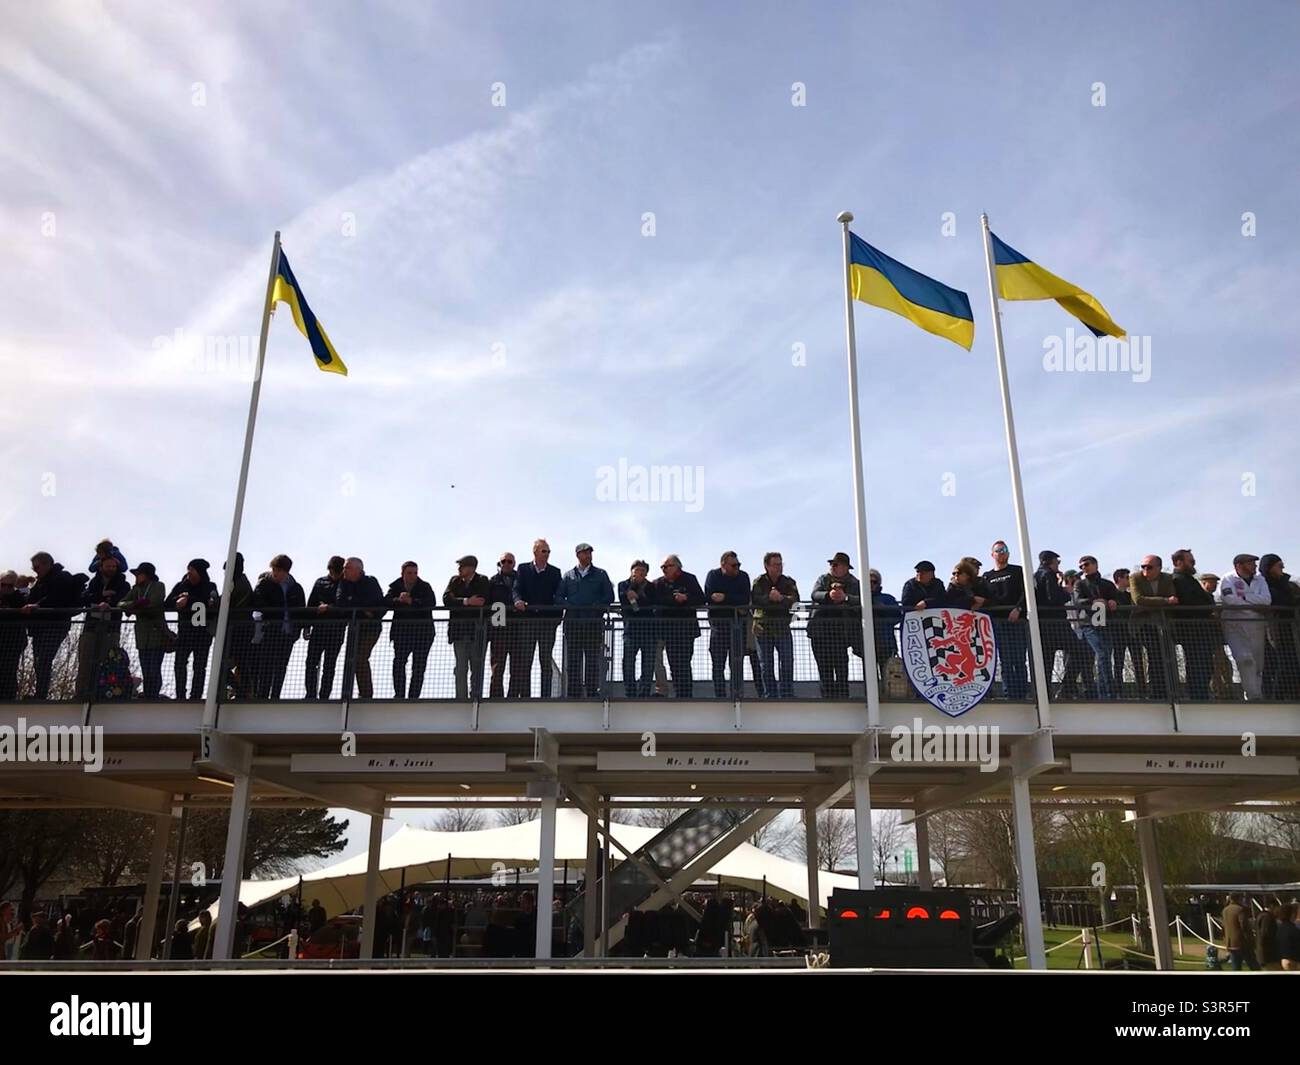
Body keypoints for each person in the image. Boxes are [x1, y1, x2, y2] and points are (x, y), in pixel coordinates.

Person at [21, 552, 88, 699]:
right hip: (39, 628)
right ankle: (40, 692)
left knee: (44, 659)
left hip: (55, 626)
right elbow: (33, 598)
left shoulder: (61, 578)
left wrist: (37, 605)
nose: (35, 570)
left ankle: (41, 694)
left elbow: (58, 598)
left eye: (37, 567)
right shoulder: (40, 582)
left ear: (46, 564)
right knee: (39, 661)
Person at [556, 543, 614, 699]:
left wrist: (596, 607)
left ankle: (591, 692)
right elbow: (559, 597)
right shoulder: (568, 576)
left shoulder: (601, 574)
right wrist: (570, 606)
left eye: (590, 553)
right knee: (573, 661)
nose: (588, 555)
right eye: (585, 553)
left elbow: (609, 596)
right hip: (573, 624)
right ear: (578, 555)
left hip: (593, 624)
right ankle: (573, 693)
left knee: (592, 660)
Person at [511, 540, 562, 698]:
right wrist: (517, 601)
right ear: (535, 552)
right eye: (543, 551)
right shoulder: (523, 569)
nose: (546, 555)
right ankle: (525, 696)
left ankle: (545, 696)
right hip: (528, 621)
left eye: (548, 552)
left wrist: (556, 619)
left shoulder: (555, 572)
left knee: (545, 660)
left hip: (547, 623)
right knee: (526, 660)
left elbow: (559, 596)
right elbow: (516, 589)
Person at [250, 555, 305, 700]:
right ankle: (261, 696)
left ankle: (275, 696)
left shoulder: (296, 588)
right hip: (270, 631)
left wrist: (297, 631)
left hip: (287, 634)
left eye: (278, 570)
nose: (275, 573)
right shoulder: (264, 584)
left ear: (286, 571)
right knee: (265, 666)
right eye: (273, 569)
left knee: (280, 667)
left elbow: (301, 610)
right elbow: (258, 602)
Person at [809, 552, 862, 699]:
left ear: (845, 567)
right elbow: (814, 594)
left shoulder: (854, 583)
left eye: (836, 564)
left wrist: (845, 597)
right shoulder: (823, 579)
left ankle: (843, 699)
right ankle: (828, 701)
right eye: (832, 564)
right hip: (819, 632)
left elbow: (862, 600)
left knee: (841, 670)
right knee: (824, 672)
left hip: (841, 634)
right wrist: (828, 595)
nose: (832, 566)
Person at [165, 559, 219, 701]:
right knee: (179, 664)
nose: (189, 573)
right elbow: (167, 603)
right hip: (184, 633)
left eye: (192, 570)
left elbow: (212, 606)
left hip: (202, 634)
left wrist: (189, 599)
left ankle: (195, 695)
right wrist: (179, 599)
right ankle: (180, 695)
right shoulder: (181, 586)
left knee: (199, 667)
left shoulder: (209, 586)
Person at [1219, 554, 1271, 702]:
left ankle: (1257, 694)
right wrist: (1254, 603)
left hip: (1257, 625)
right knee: (1244, 659)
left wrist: (1244, 600)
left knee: (1258, 663)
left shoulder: (1260, 579)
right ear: (1239, 565)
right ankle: (1252, 695)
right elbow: (1230, 600)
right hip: (1235, 625)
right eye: (1251, 563)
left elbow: (1267, 600)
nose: (1255, 566)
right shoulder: (1228, 579)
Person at [78, 552, 130, 698]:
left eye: (114, 566)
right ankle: (81, 693)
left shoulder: (123, 584)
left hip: (111, 628)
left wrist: (109, 602)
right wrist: (102, 596)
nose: (111, 568)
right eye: (108, 566)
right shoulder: (93, 583)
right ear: (101, 567)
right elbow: (84, 598)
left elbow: (123, 599)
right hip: (91, 627)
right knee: (86, 662)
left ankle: (104, 693)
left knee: (108, 661)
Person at [652, 555, 706, 698]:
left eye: (667, 566)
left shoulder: (689, 579)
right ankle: (678, 693)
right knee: (674, 665)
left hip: (686, 630)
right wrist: (674, 600)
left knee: (684, 664)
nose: (664, 569)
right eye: (662, 567)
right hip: (667, 631)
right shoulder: (658, 583)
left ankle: (685, 695)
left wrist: (686, 599)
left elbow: (701, 599)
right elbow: (656, 602)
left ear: (677, 567)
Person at [333, 558, 385, 699]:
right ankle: (353, 693)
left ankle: (366, 694)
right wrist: (362, 608)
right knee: (352, 659)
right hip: (354, 627)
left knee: (360, 658)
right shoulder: (343, 583)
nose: (344, 570)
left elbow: (378, 603)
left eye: (348, 567)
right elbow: (341, 603)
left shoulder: (371, 582)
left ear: (358, 569)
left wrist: (354, 603)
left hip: (371, 627)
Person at [1169, 548, 1216, 701]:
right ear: (1179, 562)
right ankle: (1198, 696)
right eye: (1191, 561)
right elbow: (1191, 602)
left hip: (1201, 630)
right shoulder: (1178, 580)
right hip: (1192, 630)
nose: (1194, 563)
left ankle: (1201, 694)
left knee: (1205, 665)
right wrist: (1208, 608)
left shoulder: (1189, 580)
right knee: (1198, 665)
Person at [703, 551, 751, 700]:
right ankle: (720, 696)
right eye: (733, 565)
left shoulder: (743, 577)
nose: (737, 567)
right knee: (718, 665)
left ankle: (737, 694)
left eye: (738, 564)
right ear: (723, 564)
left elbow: (744, 598)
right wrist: (732, 601)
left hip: (738, 627)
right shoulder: (713, 575)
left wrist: (725, 597)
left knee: (736, 664)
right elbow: (710, 596)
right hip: (718, 627)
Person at [751, 552, 799, 699]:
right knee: (766, 664)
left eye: (781, 564)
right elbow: (755, 601)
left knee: (787, 661)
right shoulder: (759, 582)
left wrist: (780, 598)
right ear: (767, 566)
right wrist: (769, 598)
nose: (779, 567)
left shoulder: (789, 582)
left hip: (782, 627)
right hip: (763, 628)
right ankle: (770, 695)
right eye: (776, 564)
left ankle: (787, 694)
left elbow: (795, 602)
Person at [118, 562, 169, 698]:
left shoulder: (158, 586)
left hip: (156, 635)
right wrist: (136, 604)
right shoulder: (136, 590)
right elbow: (121, 603)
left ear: (146, 575)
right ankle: (148, 694)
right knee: (146, 669)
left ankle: (153, 695)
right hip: (141, 637)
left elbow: (154, 603)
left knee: (154, 669)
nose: (136, 577)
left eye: (139, 574)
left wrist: (136, 608)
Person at [1131, 555, 1178, 700]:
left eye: (1149, 567)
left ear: (1159, 568)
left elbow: (1174, 597)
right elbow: (1138, 600)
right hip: (1142, 624)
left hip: (1163, 623)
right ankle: (1156, 691)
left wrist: (1153, 603)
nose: (1145, 570)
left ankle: (1170, 690)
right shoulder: (1135, 578)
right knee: (1155, 655)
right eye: (1143, 566)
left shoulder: (1167, 578)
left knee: (1168, 656)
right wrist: (1164, 601)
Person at [984, 542, 1028, 699]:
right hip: (997, 623)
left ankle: (1022, 694)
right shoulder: (987, 576)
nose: (1002, 553)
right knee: (1006, 661)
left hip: (1017, 622)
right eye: (998, 551)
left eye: (1004, 550)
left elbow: (1027, 593)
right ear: (992, 554)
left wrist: (1018, 609)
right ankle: (1009, 693)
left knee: (1019, 660)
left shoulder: (1018, 571)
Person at [387, 561, 436, 699]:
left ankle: (414, 696)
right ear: (402, 573)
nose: (413, 576)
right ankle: (399, 695)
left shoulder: (424, 586)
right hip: (402, 633)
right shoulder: (395, 586)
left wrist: (412, 602)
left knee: (419, 666)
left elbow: (430, 603)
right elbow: (385, 602)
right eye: (409, 573)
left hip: (423, 633)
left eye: (415, 573)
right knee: (399, 663)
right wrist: (399, 600)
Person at [444, 556, 491, 700]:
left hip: (476, 631)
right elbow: (447, 599)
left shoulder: (482, 580)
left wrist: (459, 602)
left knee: (477, 667)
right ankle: (461, 698)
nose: (459, 569)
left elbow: (483, 600)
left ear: (471, 568)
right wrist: (467, 601)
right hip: (458, 632)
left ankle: (475, 697)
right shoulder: (454, 581)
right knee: (460, 669)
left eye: (462, 566)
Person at [1075, 555, 1118, 700]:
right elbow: (1078, 601)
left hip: (1106, 625)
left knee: (1105, 656)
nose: (1083, 568)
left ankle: (1107, 691)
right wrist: (1094, 600)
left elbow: (1116, 597)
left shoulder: (1107, 584)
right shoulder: (1080, 584)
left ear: (1095, 565)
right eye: (1081, 567)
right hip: (1089, 625)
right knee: (1102, 654)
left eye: (1086, 565)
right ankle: (1105, 693)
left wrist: (1112, 601)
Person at [303, 556, 346, 700]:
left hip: (337, 630)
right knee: (311, 662)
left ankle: (324, 695)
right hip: (320, 628)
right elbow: (311, 604)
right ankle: (310, 694)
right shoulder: (320, 582)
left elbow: (345, 606)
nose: (336, 575)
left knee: (329, 665)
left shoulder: (346, 584)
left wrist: (328, 607)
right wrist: (307, 625)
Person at [1260, 553, 1300, 700]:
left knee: (1293, 664)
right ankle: (1276, 697)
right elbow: (1280, 601)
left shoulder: (1287, 583)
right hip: (1275, 628)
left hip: (1291, 628)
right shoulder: (1262, 585)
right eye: (1279, 566)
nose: (1282, 569)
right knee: (1281, 664)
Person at [1033, 551, 1071, 695]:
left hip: (1043, 625)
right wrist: (1066, 592)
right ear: (1049, 562)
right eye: (1057, 562)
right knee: (1083, 650)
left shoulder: (1037, 575)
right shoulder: (1048, 574)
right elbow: (1052, 598)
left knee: (1046, 663)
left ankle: (1044, 693)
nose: (1058, 565)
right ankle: (1066, 687)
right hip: (1056, 625)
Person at [618, 560, 658, 698]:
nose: (639, 573)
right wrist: (631, 590)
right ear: (631, 571)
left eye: (642, 571)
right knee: (628, 663)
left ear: (646, 573)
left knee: (648, 665)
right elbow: (624, 601)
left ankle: (644, 693)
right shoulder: (623, 585)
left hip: (649, 630)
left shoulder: (652, 587)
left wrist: (638, 597)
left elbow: (652, 604)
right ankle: (630, 692)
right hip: (630, 629)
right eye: (636, 570)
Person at [223, 552, 256, 699]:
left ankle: (242, 690)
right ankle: (242, 690)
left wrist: (215, 602)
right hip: (237, 629)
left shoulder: (239, 584)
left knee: (228, 663)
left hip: (239, 630)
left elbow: (228, 602)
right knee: (237, 663)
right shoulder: (239, 581)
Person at [1198, 573, 1234, 700]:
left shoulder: (1211, 597)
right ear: (1203, 583)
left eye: (1215, 583)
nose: (1214, 585)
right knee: (1216, 666)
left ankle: (1226, 690)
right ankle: (1220, 692)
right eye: (1211, 582)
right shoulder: (1202, 598)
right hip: (1208, 638)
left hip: (1215, 637)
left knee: (1224, 664)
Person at [487, 553, 518, 699]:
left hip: (518, 629)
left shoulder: (520, 580)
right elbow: (489, 604)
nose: (506, 564)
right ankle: (495, 698)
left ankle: (512, 697)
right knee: (497, 667)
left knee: (516, 668)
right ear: (499, 564)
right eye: (503, 561)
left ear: (514, 563)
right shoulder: (493, 581)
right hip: (499, 629)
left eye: (509, 561)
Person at [1110, 567, 1144, 697]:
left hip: (1132, 632)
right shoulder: (1112, 595)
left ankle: (1142, 690)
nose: (1129, 580)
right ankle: (1118, 690)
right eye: (1126, 577)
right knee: (1119, 662)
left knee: (1138, 661)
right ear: (1119, 579)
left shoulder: (1130, 596)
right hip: (1118, 632)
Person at [868, 569, 901, 679]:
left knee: (888, 675)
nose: (871, 584)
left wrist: (881, 608)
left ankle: (885, 694)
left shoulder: (888, 598)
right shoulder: (859, 599)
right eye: (868, 581)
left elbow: (897, 616)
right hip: (866, 643)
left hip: (885, 643)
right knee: (870, 677)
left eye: (874, 582)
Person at [0, 572, 27, 700]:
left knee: (8, 670)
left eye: (9, 586)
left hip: (12, 642)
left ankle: (8, 697)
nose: (5, 588)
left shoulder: (19, 598)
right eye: (2, 585)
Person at [1221, 893, 1259, 971]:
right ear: (1239, 898)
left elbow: (1224, 926)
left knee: (1236, 967)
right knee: (1254, 965)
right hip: (1242, 942)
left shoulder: (1225, 910)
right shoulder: (1240, 909)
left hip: (1230, 942)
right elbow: (1244, 926)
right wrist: (1251, 940)